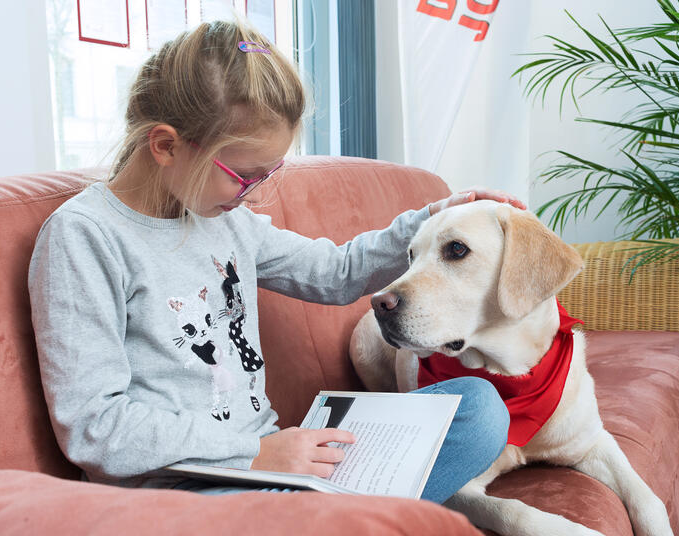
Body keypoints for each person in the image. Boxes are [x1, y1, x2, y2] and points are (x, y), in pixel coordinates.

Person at [28, 19, 520, 503]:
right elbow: (95, 427)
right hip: (183, 491)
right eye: (242, 175)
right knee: (312, 509)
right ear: (165, 145)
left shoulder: (226, 221)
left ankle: (344, 523)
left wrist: (434, 219)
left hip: (274, 469)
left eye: (267, 175)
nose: (252, 193)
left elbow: (336, 274)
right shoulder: (85, 236)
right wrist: (257, 454)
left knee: (479, 411)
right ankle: (351, 522)